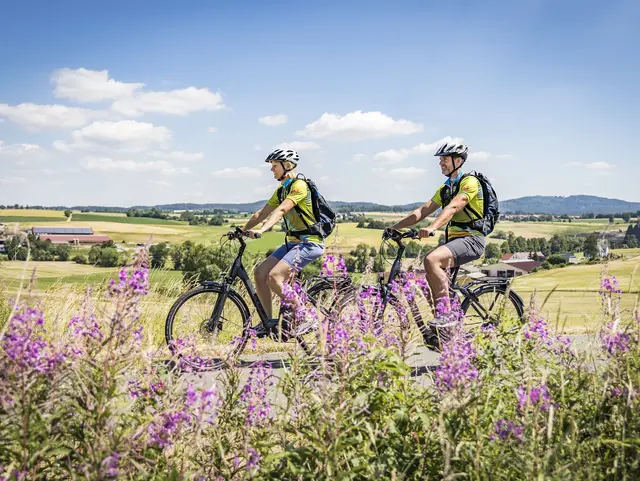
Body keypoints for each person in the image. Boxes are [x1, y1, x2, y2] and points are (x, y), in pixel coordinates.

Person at [386, 141, 487, 344]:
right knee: (429, 282)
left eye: (444, 159)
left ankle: (446, 316)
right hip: (454, 243)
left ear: (458, 161)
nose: (441, 163)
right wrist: (394, 228)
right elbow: (422, 211)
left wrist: (433, 228)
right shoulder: (445, 188)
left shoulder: (470, 182)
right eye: (440, 159)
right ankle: (452, 337)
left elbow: (453, 207)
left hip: (472, 240)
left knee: (431, 260)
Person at [240, 148, 325, 336]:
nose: (271, 170)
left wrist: (262, 229)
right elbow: (261, 213)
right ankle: (268, 322)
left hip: (310, 243)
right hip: (293, 243)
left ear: (287, 166)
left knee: (274, 277)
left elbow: (281, 211)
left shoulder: (299, 186)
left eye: (274, 165)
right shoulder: (282, 189)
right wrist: (242, 231)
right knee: (260, 272)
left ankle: (306, 317)